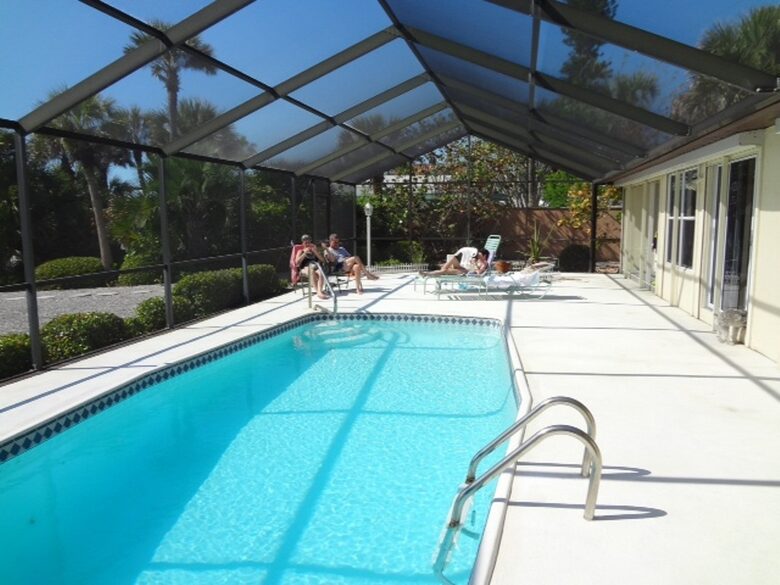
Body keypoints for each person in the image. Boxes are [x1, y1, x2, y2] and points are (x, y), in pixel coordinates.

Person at [295, 234, 329, 300]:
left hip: (316, 266)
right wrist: (304, 253)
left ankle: (319, 290)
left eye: (309, 242)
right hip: (305, 268)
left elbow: (323, 260)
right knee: (311, 270)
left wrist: (315, 252)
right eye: (306, 243)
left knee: (321, 272)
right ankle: (318, 292)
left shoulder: (314, 250)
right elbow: (297, 262)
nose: (307, 244)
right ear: (303, 243)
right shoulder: (300, 251)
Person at [421, 248, 490, 277]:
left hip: (465, 271)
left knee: (445, 271)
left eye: (480, 255)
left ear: (484, 256)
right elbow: (470, 264)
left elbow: (479, 273)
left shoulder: (484, 264)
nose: (478, 256)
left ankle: (427, 274)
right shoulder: (478, 260)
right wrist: (471, 262)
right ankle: (441, 270)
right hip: (464, 267)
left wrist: (474, 264)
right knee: (453, 258)